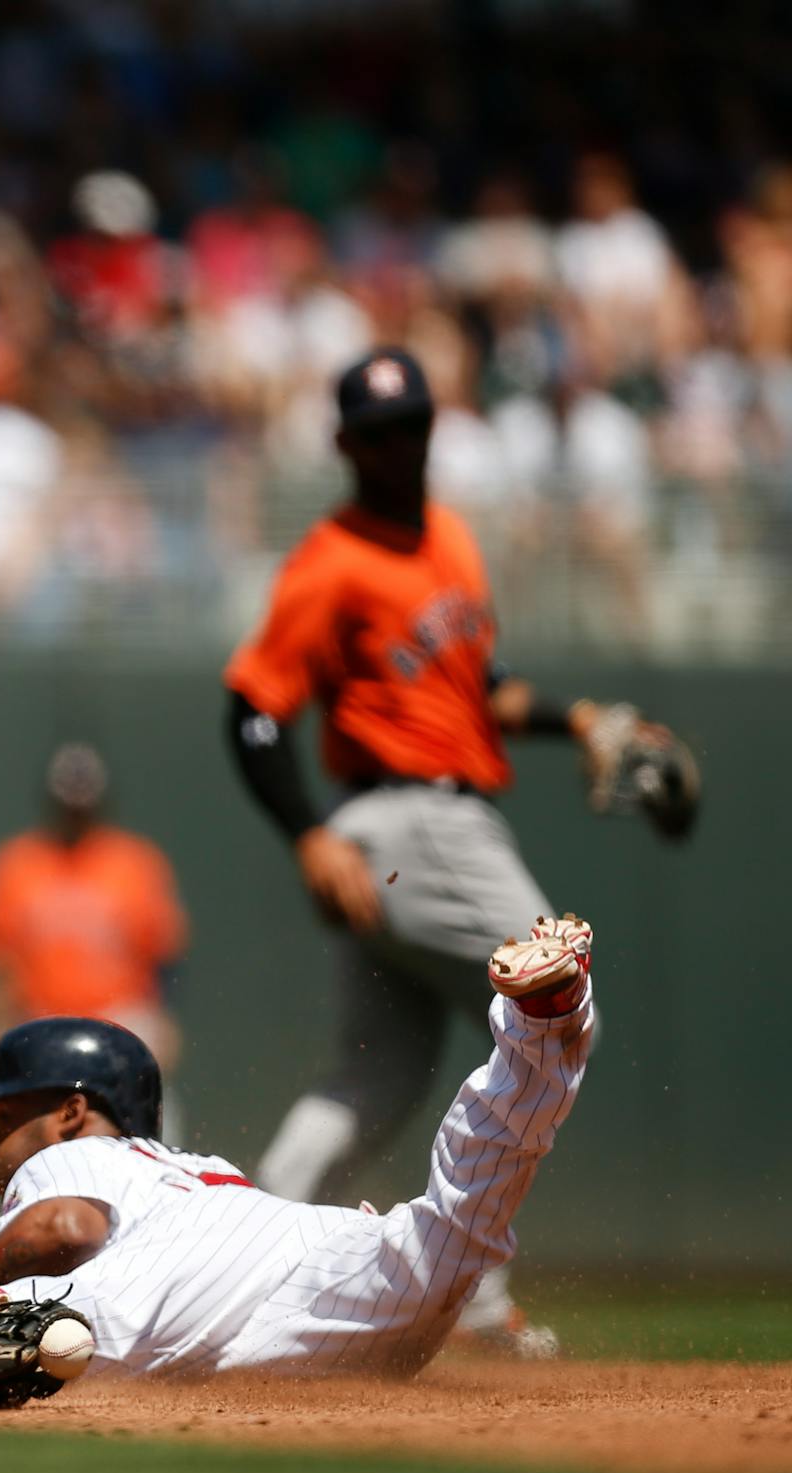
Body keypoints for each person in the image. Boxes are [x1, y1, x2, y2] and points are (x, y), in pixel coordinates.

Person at [219, 347, 643, 1354]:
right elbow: (252, 708)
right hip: (411, 824)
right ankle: (480, 1306)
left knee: (374, 1076)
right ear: (345, 446)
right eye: (378, 432)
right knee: (555, 1009)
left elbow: (477, 688)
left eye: (410, 425)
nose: (397, 445)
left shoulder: (449, 536)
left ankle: (242, 1257)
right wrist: (308, 833)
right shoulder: (330, 560)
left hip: (425, 822)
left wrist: (575, 715)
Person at [0, 914, 596, 1382]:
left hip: (174, 1278)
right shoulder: (190, 1168)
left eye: (6, 1115)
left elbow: (63, 1230)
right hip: (318, 1249)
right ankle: (546, 1021)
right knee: (453, 1228)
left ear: (76, 1112)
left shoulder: (87, 1155)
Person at [0, 743, 187, 1098]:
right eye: (67, 803)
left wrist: (164, 1020)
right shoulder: (15, 864)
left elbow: (165, 958)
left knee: (147, 1054)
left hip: (119, 1023)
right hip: (35, 1022)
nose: (75, 813)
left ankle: (152, 1148)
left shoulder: (135, 862)